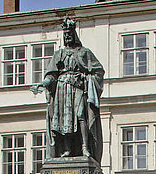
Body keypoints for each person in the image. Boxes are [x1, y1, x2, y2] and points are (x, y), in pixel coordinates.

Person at [31, 16, 104, 163]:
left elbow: (98, 71)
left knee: (81, 115)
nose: (67, 37)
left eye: (69, 34)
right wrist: (43, 84)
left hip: (77, 88)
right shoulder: (59, 54)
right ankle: (67, 149)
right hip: (62, 91)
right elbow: (51, 75)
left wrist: (87, 80)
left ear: (74, 35)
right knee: (64, 120)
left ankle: (85, 147)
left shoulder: (84, 52)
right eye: (65, 35)